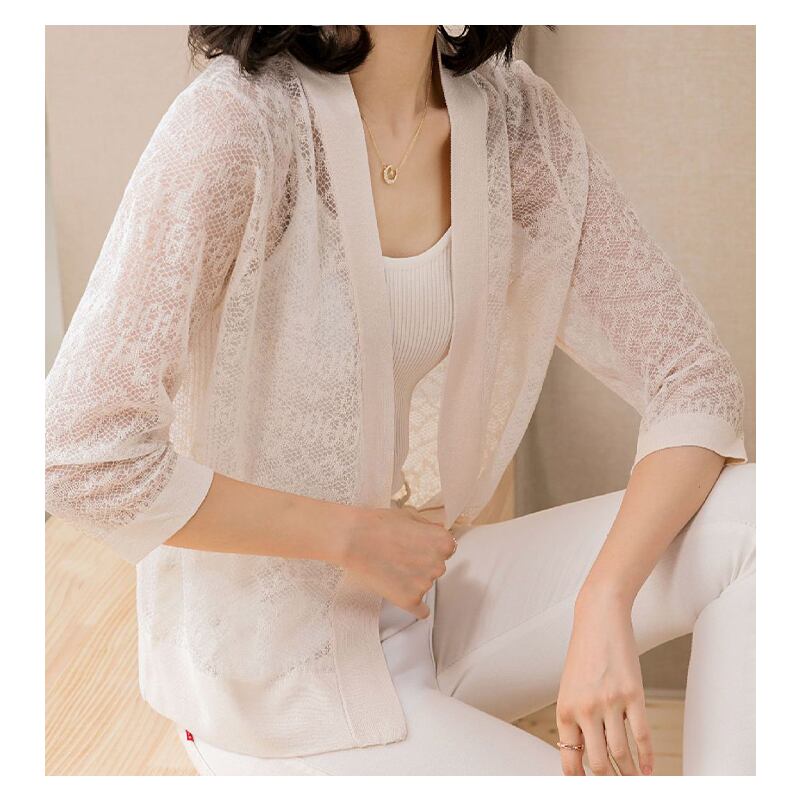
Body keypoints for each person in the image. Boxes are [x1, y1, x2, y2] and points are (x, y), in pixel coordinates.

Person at [45, 25, 755, 775]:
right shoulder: (235, 128)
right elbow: (76, 453)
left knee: (763, 520)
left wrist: (604, 599)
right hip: (273, 687)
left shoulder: (513, 120)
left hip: (418, 604)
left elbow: (693, 377)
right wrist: (348, 536)